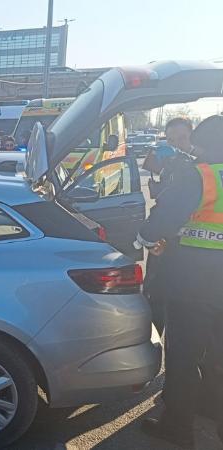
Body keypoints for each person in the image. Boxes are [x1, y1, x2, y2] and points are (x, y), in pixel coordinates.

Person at [138, 115, 223, 448]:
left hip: (194, 283)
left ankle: (177, 426)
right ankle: (212, 410)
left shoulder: (200, 175)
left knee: (184, 356)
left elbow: (162, 219)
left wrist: (145, 238)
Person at [142, 118, 195, 334]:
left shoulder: (198, 169)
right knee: (154, 294)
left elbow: (178, 209)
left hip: (187, 248)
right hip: (165, 244)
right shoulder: (170, 165)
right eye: (171, 140)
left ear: (192, 138)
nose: (177, 145)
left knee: (182, 306)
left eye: (182, 138)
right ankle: (154, 341)